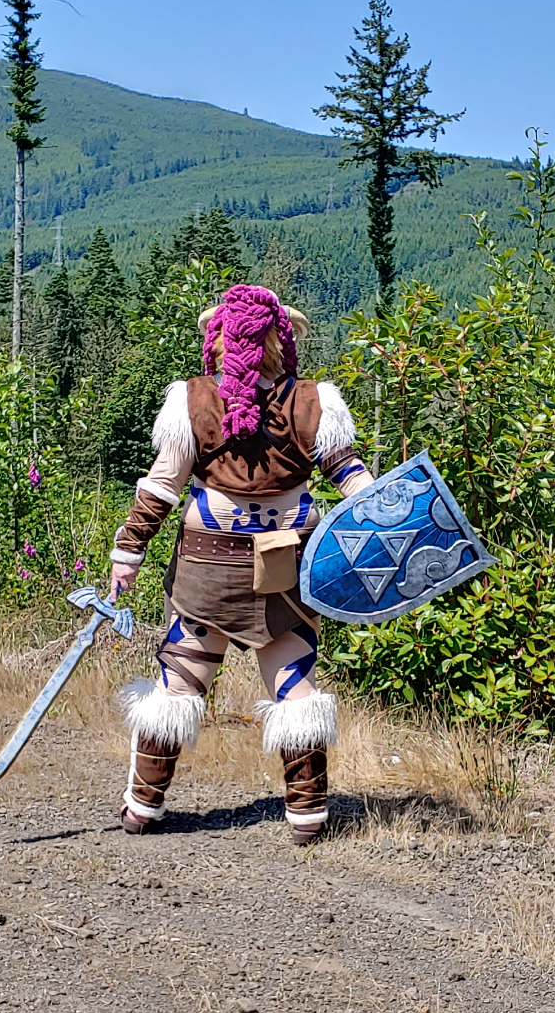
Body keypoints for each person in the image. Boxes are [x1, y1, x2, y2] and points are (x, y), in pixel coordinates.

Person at [107, 283, 372, 843]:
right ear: (282, 339)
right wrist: (388, 524)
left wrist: (128, 550)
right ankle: (306, 817)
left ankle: (142, 808)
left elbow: (163, 487)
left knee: (178, 687)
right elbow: (354, 481)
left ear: (220, 338)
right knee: (294, 688)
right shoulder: (312, 401)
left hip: (207, 571)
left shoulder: (194, 399)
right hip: (285, 571)